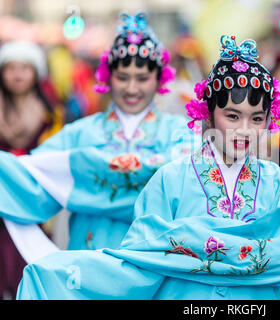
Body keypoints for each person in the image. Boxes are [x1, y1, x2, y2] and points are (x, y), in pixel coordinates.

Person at [16, 35, 280, 300]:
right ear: (209, 115)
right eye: (232, 115)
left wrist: (182, 241)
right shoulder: (170, 177)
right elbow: (139, 260)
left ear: (270, 120)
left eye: (256, 119)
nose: (244, 129)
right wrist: (61, 273)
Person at [0, 13, 195, 264]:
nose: (132, 88)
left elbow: (189, 184)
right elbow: (29, 175)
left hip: (155, 264)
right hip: (88, 263)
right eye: (122, 77)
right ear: (107, 77)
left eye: (142, 78)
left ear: (159, 80)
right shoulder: (79, 133)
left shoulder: (181, 133)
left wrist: (85, 170)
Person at [0, 40, 64, 299]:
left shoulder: (50, 114)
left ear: (36, 73)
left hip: (32, 199)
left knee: (28, 265)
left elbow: (55, 157)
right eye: (10, 67)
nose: (17, 74)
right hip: (1, 201)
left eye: (24, 67)